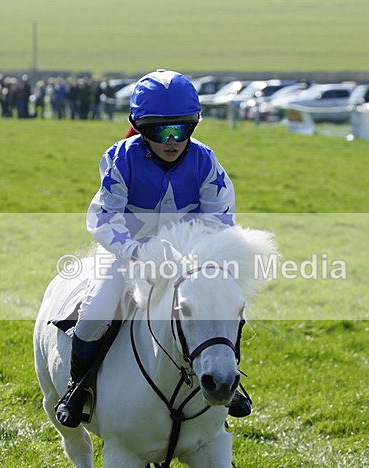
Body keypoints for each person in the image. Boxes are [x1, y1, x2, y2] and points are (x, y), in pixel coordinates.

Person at [55, 69, 251, 427]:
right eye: (160, 130)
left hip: (188, 258)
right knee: (97, 311)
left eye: (183, 129)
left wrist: (194, 260)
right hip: (126, 253)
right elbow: (103, 218)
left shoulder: (206, 160)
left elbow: (221, 221)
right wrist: (137, 254)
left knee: (227, 304)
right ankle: (77, 387)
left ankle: (228, 382)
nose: (173, 140)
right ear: (139, 127)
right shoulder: (119, 158)